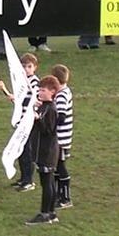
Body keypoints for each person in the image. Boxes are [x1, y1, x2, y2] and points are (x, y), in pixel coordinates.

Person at [23, 75, 62, 225]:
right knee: (49, 182)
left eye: (43, 90)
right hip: (45, 151)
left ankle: (45, 213)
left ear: (52, 92)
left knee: (47, 183)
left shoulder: (50, 109)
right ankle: (51, 213)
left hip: (46, 152)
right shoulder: (44, 106)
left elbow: (48, 130)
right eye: (39, 89)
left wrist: (37, 119)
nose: (40, 92)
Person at [10, 52, 41, 191]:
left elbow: (32, 100)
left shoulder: (34, 82)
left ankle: (29, 180)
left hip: (29, 121)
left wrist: (17, 98)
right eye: (24, 66)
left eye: (29, 66)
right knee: (20, 149)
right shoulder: (21, 82)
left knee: (27, 150)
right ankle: (23, 178)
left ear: (35, 67)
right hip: (20, 120)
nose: (26, 69)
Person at [51, 64, 75, 208]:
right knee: (57, 168)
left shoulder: (61, 96)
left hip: (60, 140)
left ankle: (65, 198)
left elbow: (61, 117)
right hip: (62, 139)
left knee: (60, 167)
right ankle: (58, 195)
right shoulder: (65, 92)